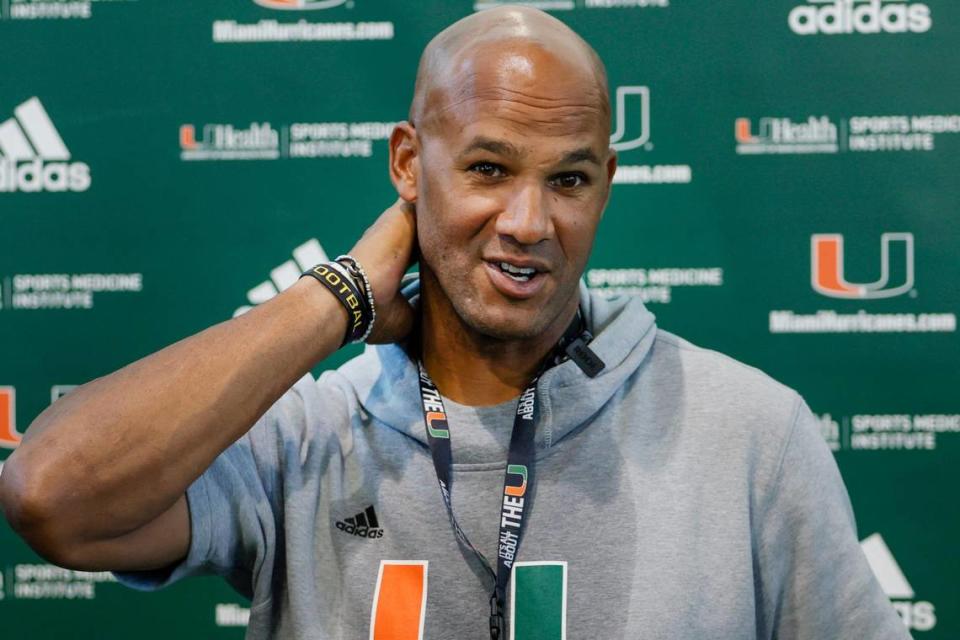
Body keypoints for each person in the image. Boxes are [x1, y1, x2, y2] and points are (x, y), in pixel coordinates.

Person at [0, 6, 909, 640]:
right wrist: (343, 295)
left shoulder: (751, 432)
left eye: (568, 180)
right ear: (409, 163)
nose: (528, 223)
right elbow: (53, 497)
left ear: (605, 187)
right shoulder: (308, 437)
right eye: (486, 168)